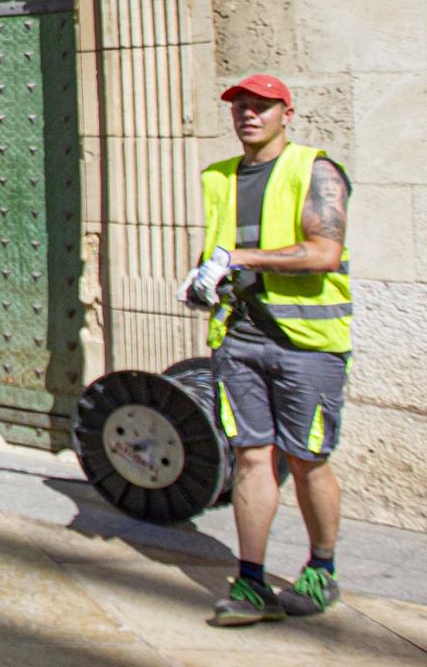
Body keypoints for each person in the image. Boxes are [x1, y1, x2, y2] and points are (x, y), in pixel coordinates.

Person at [181, 74, 352, 626]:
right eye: (240, 107)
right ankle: (252, 582)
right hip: (240, 340)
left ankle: (320, 569)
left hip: (307, 346)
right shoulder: (219, 177)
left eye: (261, 106)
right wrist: (202, 283)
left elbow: (324, 252)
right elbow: (221, 252)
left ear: (287, 112)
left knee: (307, 461)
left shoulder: (315, 169)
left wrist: (244, 260)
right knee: (252, 459)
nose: (248, 115)